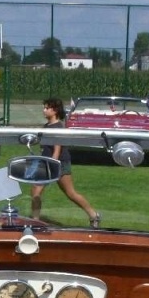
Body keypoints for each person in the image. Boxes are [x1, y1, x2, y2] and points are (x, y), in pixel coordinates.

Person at [30, 98, 100, 229]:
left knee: (70, 193)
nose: (44, 110)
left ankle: (94, 215)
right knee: (35, 190)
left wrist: (52, 167)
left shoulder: (57, 128)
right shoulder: (47, 126)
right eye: (44, 107)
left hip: (58, 163)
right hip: (46, 163)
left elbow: (57, 150)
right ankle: (35, 221)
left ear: (55, 110)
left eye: (47, 108)